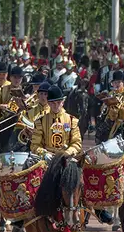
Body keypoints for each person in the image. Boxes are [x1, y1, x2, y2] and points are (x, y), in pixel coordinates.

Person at [30, 85, 111, 224]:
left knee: (85, 177)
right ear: (48, 103)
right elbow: (35, 145)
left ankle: (98, 209)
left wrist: (67, 153)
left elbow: (77, 143)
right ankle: (26, 212)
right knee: (33, 179)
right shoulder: (40, 121)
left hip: (68, 157)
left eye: (58, 102)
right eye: (52, 103)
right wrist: (44, 153)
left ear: (63, 102)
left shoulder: (72, 120)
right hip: (48, 158)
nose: (56, 106)